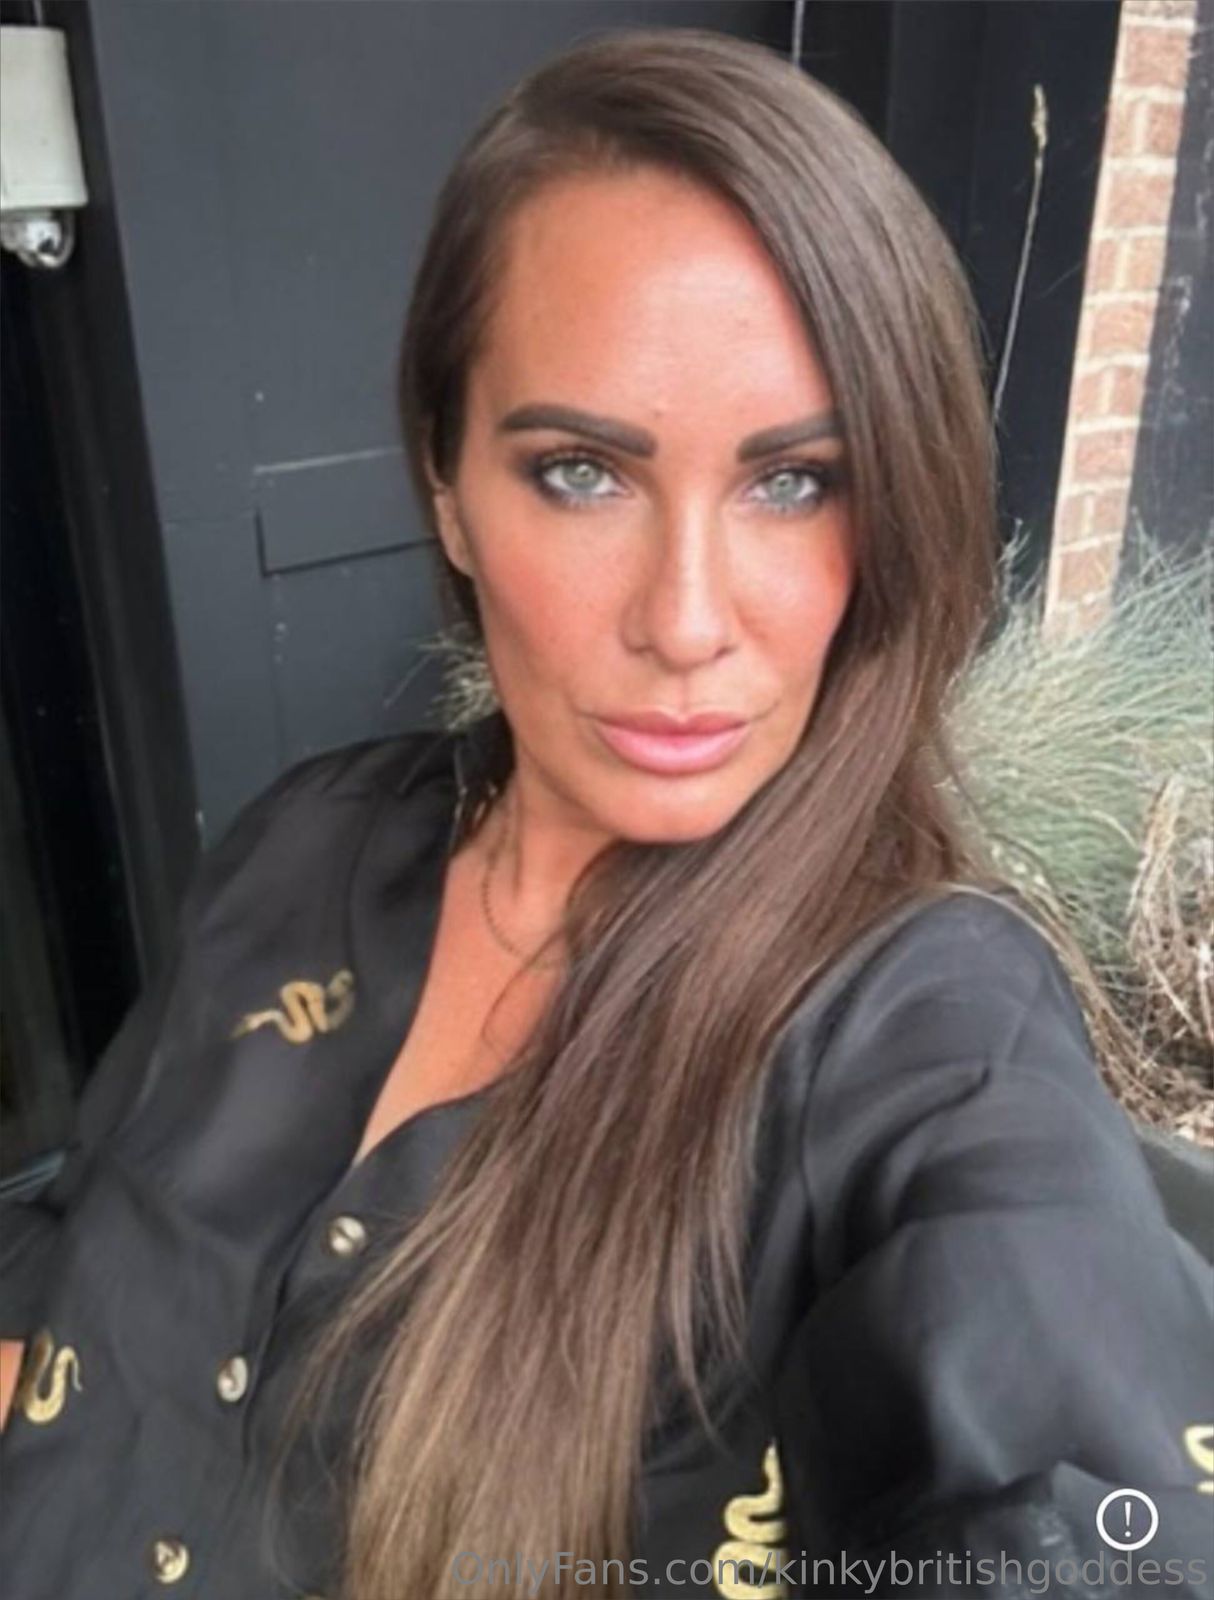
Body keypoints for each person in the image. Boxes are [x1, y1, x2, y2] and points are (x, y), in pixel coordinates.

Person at [0, 26, 1210, 1600]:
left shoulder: (918, 1031)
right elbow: (91, 1246)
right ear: (446, 483)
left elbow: (1092, 1506)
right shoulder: (302, 843)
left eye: (792, 481)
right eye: (580, 471)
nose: (686, 621)